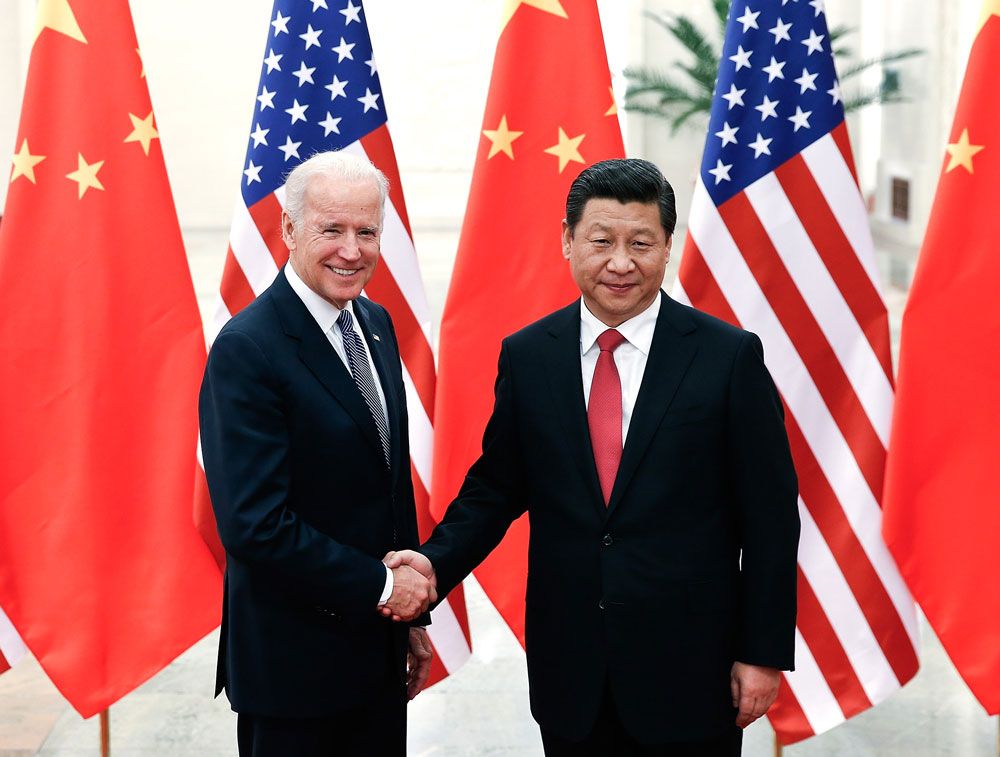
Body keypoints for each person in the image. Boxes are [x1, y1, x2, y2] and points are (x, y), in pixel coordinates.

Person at [387, 158, 800, 756]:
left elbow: (770, 519)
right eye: (601, 241)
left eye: (641, 243)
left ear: (667, 247)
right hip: (572, 671)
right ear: (568, 240)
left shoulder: (728, 357)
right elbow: (496, 489)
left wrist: (761, 653)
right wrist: (431, 566)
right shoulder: (529, 356)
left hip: (692, 669)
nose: (621, 263)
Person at [199, 151, 435, 757]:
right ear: (289, 228)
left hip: (376, 659)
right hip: (293, 676)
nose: (351, 251)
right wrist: (384, 587)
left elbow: (387, 484)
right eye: (332, 229)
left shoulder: (375, 324)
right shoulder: (248, 347)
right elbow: (254, 524)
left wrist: (409, 620)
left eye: (367, 232)